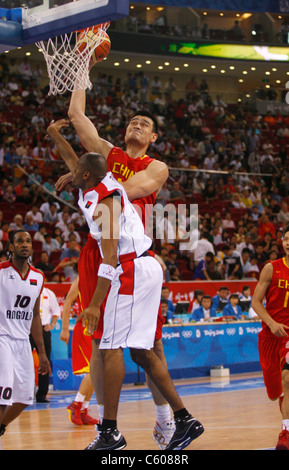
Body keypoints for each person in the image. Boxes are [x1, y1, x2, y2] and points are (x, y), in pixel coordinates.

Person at [47, 104, 177, 448]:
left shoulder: (154, 167)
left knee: (149, 344)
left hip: (133, 255)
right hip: (99, 250)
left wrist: (82, 174)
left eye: (144, 123)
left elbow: (119, 191)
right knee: (101, 344)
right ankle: (105, 428)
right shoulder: (106, 155)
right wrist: (81, 64)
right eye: (132, 120)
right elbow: (77, 118)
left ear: (153, 137)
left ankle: (167, 420)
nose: (136, 124)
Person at [55, 150, 204, 451]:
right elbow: (75, 161)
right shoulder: (96, 183)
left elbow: (109, 258)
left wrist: (95, 303)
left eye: (77, 169)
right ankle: (184, 419)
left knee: (109, 348)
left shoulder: (106, 200)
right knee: (141, 352)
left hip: (130, 267)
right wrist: (55, 134)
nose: (72, 170)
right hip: (142, 266)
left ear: (85, 175)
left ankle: (110, 432)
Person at [0, 230, 51, 438]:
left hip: (23, 342)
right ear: (11, 247)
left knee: (26, 397)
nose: (25, 244)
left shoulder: (38, 277)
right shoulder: (1, 271)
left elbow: (35, 317)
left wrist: (42, 353)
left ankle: (0, 427)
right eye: (19, 241)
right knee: (4, 395)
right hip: (2, 337)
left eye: (28, 241)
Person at [252, 225, 289, 450]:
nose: (288, 243)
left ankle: (285, 432)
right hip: (269, 334)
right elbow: (256, 302)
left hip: (288, 336)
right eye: (286, 239)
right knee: (275, 392)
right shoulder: (271, 268)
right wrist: (272, 323)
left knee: (287, 379)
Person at [60, 276, 99, 426]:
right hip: (85, 327)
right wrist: (64, 329)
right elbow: (68, 301)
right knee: (94, 370)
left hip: (99, 326)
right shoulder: (81, 278)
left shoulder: (105, 274)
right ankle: (76, 405)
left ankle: (83, 410)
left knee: (99, 373)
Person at [30, 284, 61, 402]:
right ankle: (23, 392)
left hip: (43, 329)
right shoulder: (27, 289)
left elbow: (56, 311)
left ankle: (42, 394)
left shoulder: (49, 293)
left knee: (45, 360)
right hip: (28, 329)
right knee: (24, 360)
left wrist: (52, 324)